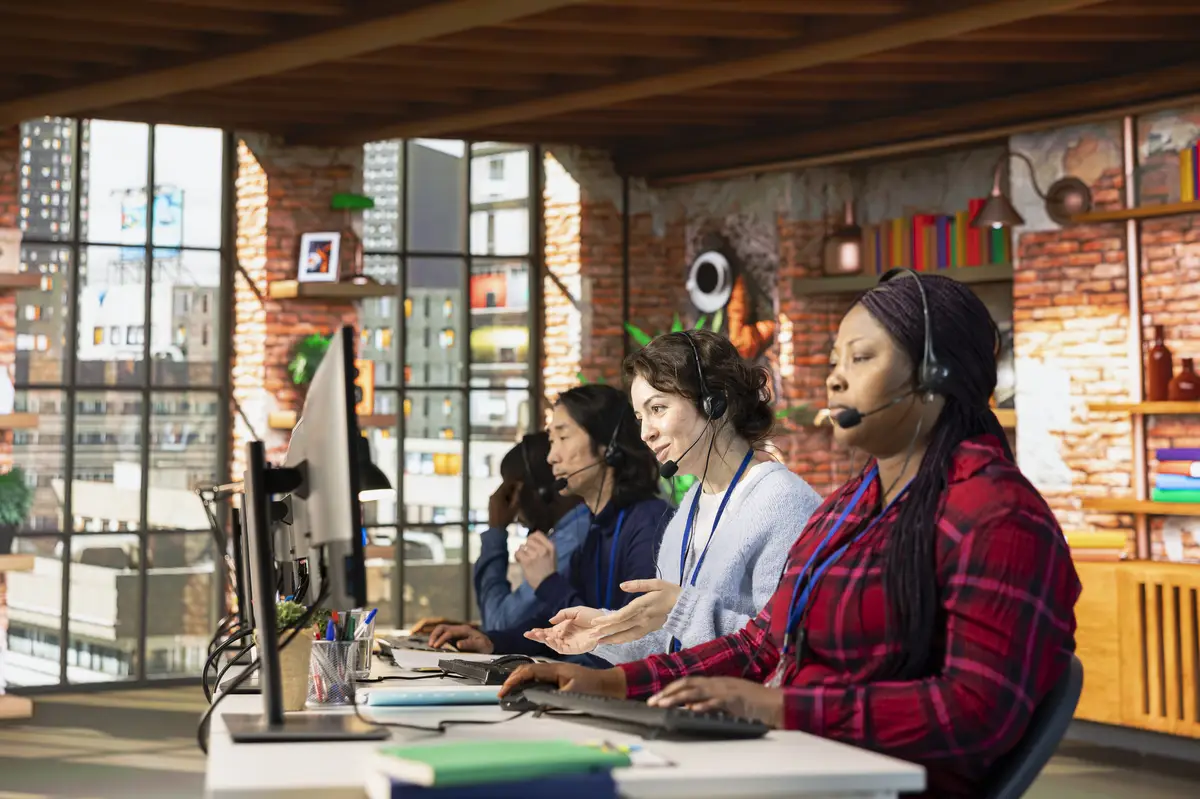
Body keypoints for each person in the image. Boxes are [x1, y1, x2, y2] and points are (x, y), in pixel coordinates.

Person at [500, 270, 1081, 799]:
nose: (834, 378)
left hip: (867, 782)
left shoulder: (998, 516)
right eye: (836, 359)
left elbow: (975, 713)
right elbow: (765, 643)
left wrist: (779, 707)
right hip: (802, 764)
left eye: (860, 358)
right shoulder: (850, 508)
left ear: (935, 375)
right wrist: (615, 683)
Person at [523, 330, 821, 663]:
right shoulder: (687, 512)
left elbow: (786, 649)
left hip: (742, 712)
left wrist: (681, 608)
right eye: (640, 417)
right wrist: (604, 632)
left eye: (658, 408)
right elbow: (670, 645)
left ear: (714, 402)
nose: (645, 433)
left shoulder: (785, 504)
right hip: (683, 707)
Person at [430, 384, 670, 655]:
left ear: (609, 447)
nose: (551, 457)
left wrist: (547, 582)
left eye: (563, 438)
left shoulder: (649, 524)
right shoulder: (596, 527)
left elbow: (631, 643)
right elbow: (558, 631)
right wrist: (492, 641)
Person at [474, 432, 589, 630]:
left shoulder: (571, 539)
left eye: (512, 495)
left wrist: (496, 531)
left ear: (540, 491)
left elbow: (498, 623)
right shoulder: (580, 526)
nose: (515, 513)